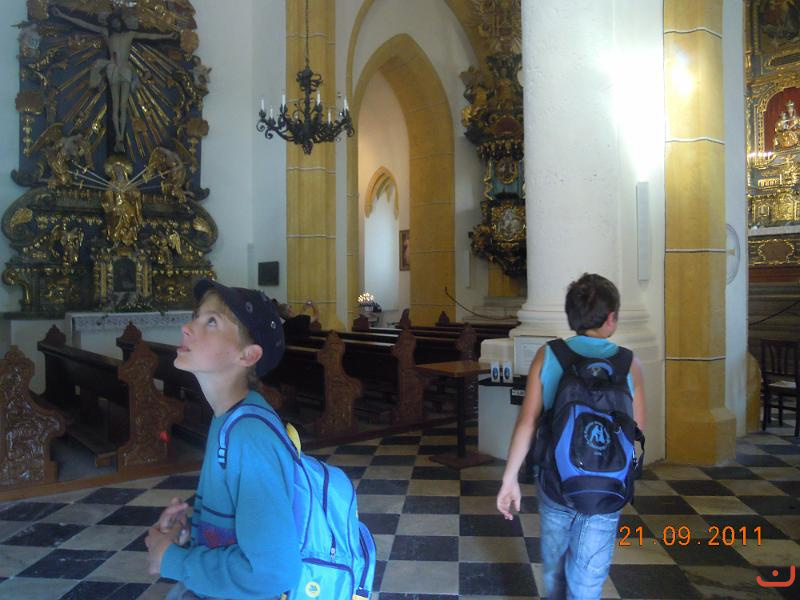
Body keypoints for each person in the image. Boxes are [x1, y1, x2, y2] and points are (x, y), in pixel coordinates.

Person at [144, 279, 301, 599]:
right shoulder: (227, 418)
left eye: (211, 321)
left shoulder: (249, 438)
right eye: (196, 317)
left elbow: (273, 573)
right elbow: (237, 530)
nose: (187, 327)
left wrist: (172, 560)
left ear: (248, 355)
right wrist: (189, 532)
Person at [496, 273, 646, 600]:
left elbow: (527, 422)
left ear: (571, 316)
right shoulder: (628, 363)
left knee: (554, 573)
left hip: (556, 481)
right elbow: (636, 430)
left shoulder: (549, 355)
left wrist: (509, 479)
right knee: (588, 580)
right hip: (606, 488)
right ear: (611, 318)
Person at [51, 7, 175, 152]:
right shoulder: (107, 34)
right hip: (113, 69)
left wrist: (168, 36)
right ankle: (118, 137)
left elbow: (149, 36)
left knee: (123, 106)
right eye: (113, 22)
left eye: (117, 21)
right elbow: (86, 24)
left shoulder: (130, 34)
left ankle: (121, 136)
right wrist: (63, 14)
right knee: (115, 106)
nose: (116, 24)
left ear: (121, 22)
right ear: (110, 23)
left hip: (125, 69)